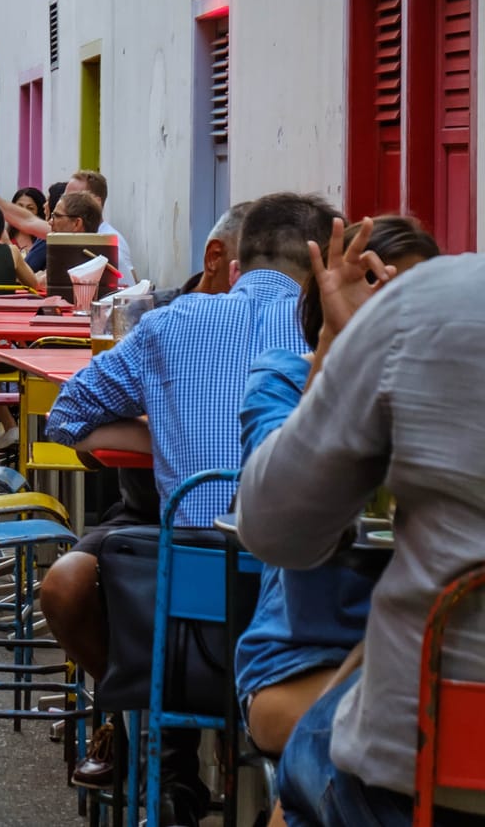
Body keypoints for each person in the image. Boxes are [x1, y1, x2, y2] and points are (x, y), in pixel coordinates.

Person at [38, 191, 337, 793]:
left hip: (190, 606)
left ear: (232, 266)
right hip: (301, 601)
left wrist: (167, 438)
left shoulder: (170, 324)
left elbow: (66, 417)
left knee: (91, 568)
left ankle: (144, 731)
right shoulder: (339, 339)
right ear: (322, 269)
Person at [237, 227, 485, 827]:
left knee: (309, 767)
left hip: (432, 758)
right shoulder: (281, 376)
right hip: (312, 654)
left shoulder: (432, 311)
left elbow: (275, 528)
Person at [60, 169, 133, 282]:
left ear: (96, 202)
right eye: (64, 197)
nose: (64, 203)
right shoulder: (85, 237)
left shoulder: (109, 241)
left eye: (73, 198)